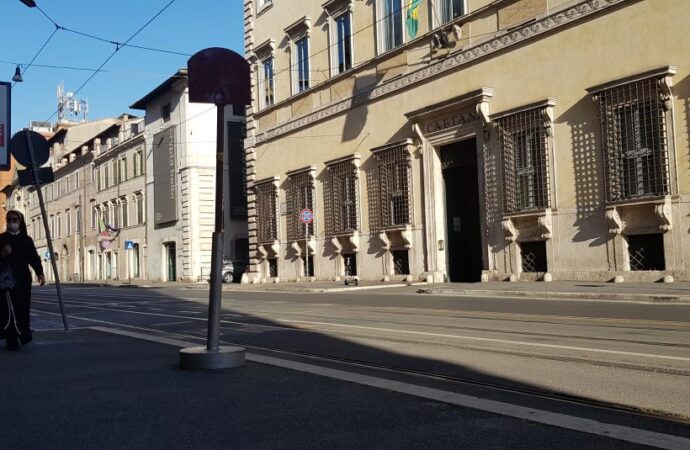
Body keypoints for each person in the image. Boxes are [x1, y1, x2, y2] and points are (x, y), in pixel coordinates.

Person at [0, 210, 45, 350]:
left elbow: (34, 258)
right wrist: (3, 253)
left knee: (23, 308)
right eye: (9, 220)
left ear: (20, 222)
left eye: (15, 220)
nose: (11, 222)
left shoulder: (26, 240)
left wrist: (40, 273)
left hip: (24, 280)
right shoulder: (1, 239)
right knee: (9, 310)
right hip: (7, 281)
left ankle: (24, 335)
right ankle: (11, 338)